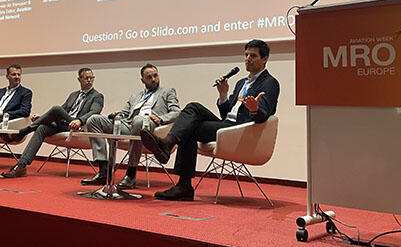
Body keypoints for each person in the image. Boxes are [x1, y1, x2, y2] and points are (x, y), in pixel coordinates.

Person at [140, 40, 279, 201]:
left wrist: (254, 109)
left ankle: (180, 177)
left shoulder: (270, 83)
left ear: (265, 58)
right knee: (193, 108)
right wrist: (223, 94)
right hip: (228, 125)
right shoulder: (242, 82)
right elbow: (226, 114)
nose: (248, 59)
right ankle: (171, 154)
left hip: (242, 130)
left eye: (253, 56)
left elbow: (263, 115)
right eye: (246, 55)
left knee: (189, 129)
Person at [81, 64, 180, 189]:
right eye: (149, 77)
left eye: (155, 76)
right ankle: (103, 170)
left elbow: (176, 112)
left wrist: (161, 119)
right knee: (94, 119)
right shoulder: (135, 96)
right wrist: (118, 114)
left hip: (150, 126)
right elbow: (125, 113)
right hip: (129, 124)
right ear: (142, 80)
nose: (154, 79)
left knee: (138, 121)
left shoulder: (167, 92)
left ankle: (131, 173)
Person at [0, 68, 104, 178]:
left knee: (56, 108)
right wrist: (43, 118)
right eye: (86, 78)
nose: (89, 80)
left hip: (77, 126)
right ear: (79, 79)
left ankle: (23, 132)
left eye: (91, 78)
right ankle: (21, 166)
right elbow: (62, 111)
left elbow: (94, 112)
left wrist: (80, 120)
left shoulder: (97, 96)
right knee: (42, 128)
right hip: (63, 124)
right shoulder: (73, 95)